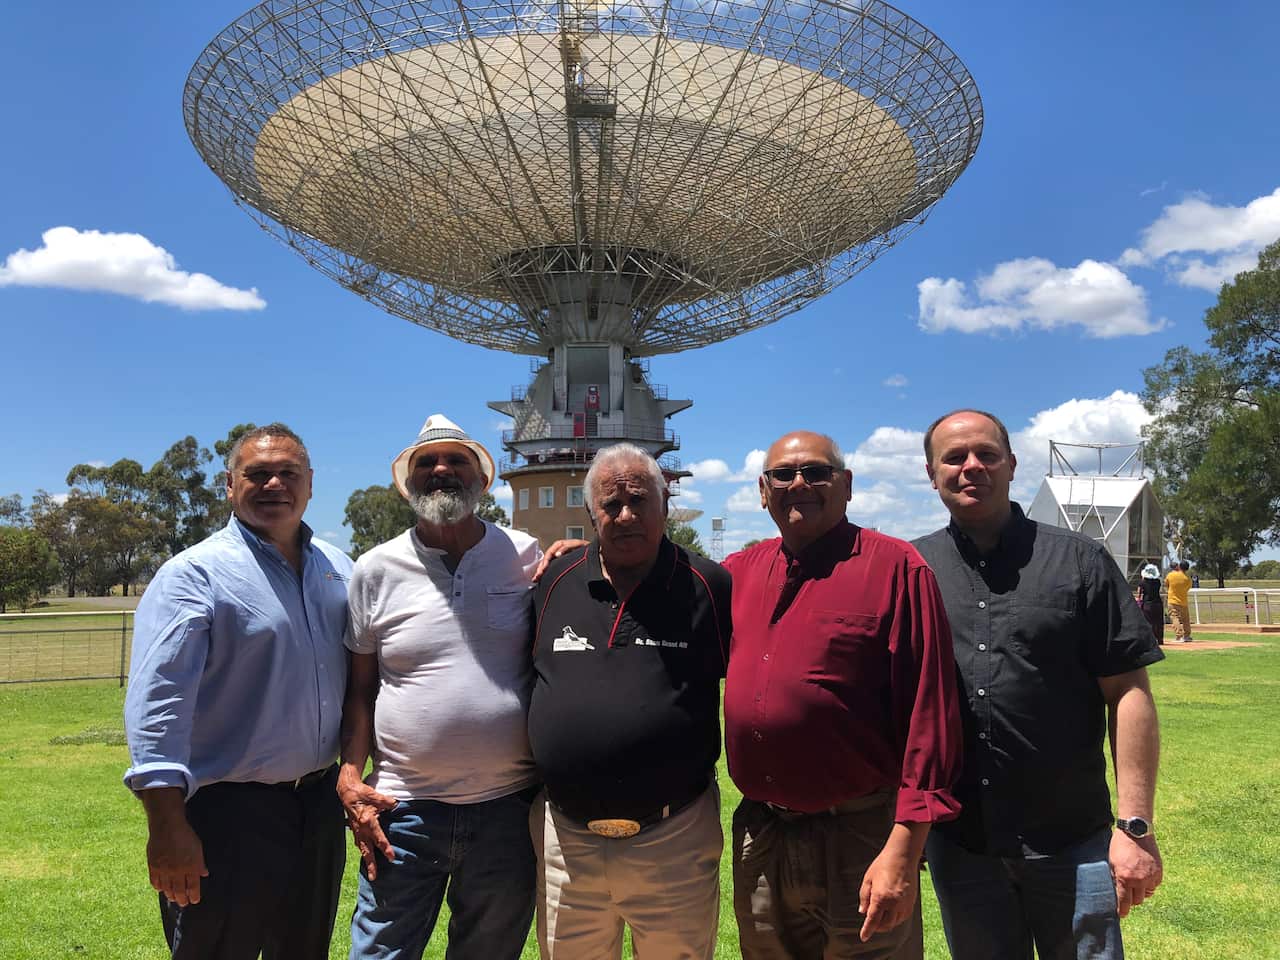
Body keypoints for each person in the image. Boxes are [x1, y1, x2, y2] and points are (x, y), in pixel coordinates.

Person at [914, 409, 1165, 960]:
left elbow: (1128, 692)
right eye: (954, 457)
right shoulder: (912, 568)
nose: (971, 467)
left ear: (1012, 465)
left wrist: (1136, 826)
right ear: (932, 474)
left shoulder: (1080, 562)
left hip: (1072, 842)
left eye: (987, 454)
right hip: (962, 844)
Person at [723, 430, 962, 960]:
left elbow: (930, 714)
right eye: (782, 475)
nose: (799, 484)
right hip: (764, 838)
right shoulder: (738, 574)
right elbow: (662, 595)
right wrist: (587, 558)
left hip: (861, 837)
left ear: (846, 485)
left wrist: (904, 848)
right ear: (763, 492)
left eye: (816, 472)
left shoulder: (896, 569)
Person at [124, 423, 351, 960]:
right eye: (257, 474)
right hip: (227, 813)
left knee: (304, 949)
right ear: (230, 485)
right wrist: (166, 827)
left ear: (311, 484)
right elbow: (158, 706)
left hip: (318, 809)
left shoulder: (339, 571)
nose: (274, 484)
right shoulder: (193, 575)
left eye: (288, 473)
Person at [340, 414, 542, 960]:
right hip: (403, 809)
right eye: (426, 462)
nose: (441, 470)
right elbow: (360, 690)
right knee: (381, 952)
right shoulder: (374, 569)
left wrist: (577, 559)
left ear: (482, 478)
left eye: (456, 460)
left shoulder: (525, 556)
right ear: (408, 482)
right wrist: (350, 773)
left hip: (508, 810)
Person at [527, 442, 732, 960]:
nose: (625, 515)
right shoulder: (551, 581)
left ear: (664, 504)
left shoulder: (711, 586)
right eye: (610, 505)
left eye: (639, 501)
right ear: (590, 512)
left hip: (674, 838)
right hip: (565, 841)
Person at [1166, 560, 1193, 642]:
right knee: (1185, 619)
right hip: (1183, 601)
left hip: (1173, 600)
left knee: (1175, 617)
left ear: (1179, 566)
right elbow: (1188, 588)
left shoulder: (1171, 575)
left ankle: (1179, 635)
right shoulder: (1187, 578)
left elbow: (1166, 584)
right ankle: (1187, 635)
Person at [1137, 563, 1164, 645]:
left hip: (1148, 604)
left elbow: (1139, 593)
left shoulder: (1142, 582)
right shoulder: (1158, 582)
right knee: (1159, 622)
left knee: (1149, 621)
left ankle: (1150, 639)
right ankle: (1160, 639)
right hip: (1158, 603)